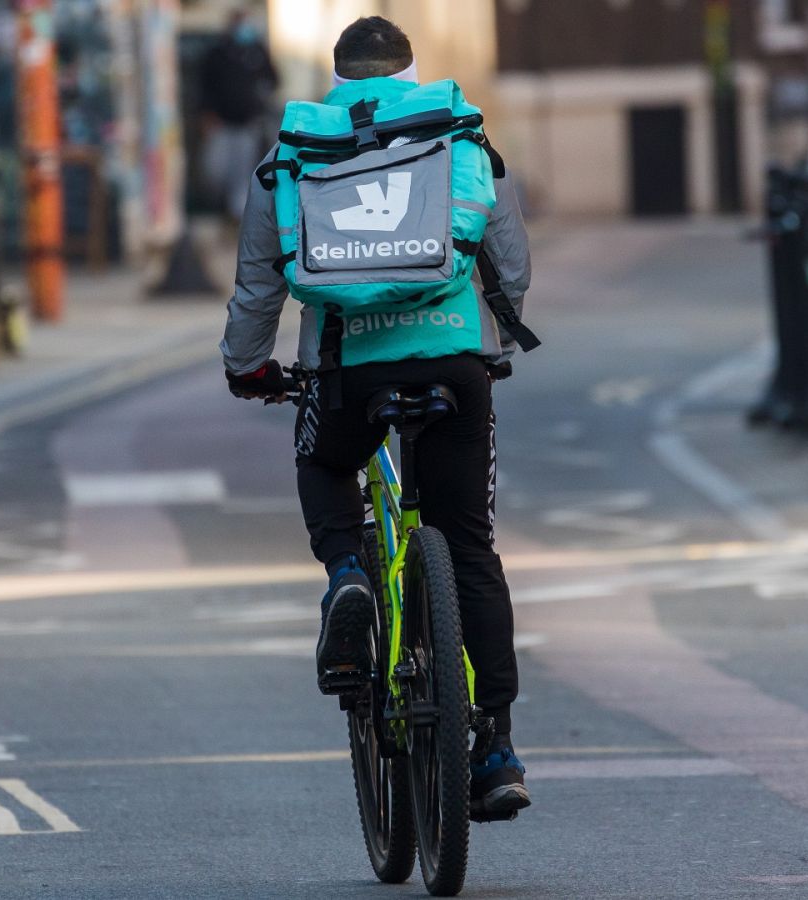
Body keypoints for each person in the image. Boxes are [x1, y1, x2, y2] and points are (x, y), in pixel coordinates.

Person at [219, 17, 534, 818]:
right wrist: (492, 332)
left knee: (324, 463)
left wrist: (247, 366)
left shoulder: (295, 150)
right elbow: (508, 257)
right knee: (468, 546)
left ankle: (349, 576)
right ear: (408, 68)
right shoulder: (452, 130)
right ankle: (495, 745)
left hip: (348, 367)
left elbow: (261, 282)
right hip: (455, 359)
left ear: (338, 76)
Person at [199, 10, 277, 221]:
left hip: (248, 123)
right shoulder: (217, 53)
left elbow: (273, 79)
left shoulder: (257, 51)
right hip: (221, 124)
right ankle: (220, 207)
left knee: (243, 174)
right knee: (216, 171)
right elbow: (205, 87)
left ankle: (237, 216)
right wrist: (207, 116)